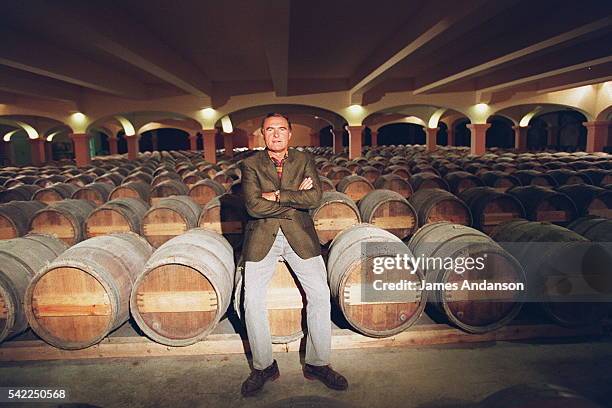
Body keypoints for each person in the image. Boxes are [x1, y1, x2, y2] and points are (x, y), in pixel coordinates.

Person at [239, 113, 348, 397]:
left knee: (321, 296)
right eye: (270, 130)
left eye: (281, 129)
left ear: (290, 134)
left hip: (300, 236)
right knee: (251, 301)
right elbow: (252, 207)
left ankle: (317, 363)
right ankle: (264, 366)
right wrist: (292, 198)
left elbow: (314, 199)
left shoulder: (304, 160)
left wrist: (273, 196)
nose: (276, 134)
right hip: (262, 237)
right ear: (263, 134)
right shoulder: (250, 164)